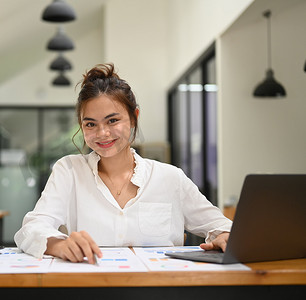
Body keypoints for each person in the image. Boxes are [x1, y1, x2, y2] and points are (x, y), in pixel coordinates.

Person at [14, 63, 231, 264]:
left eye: (112, 120)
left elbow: (222, 227)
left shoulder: (169, 177)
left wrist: (224, 236)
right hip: (91, 288)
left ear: (134, 117)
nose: (102, 133)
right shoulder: (69, 171)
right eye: (90, 124)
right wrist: (59, 244)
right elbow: (31, 229)